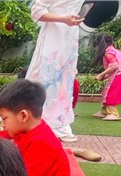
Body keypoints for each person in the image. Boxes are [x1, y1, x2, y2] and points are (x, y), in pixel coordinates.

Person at [0, 79, 72, 176]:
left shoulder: (42, 143)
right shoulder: (30, 128)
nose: (3, 125)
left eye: (4, 118)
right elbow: (2, 138)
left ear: (23, 116)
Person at [25, 0, 85, 144]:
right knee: (46, 77)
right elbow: (36, 11)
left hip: (70, 35)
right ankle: (37, 121)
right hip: (54, 35)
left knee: (66, 79)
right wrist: (63, 19)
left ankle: (60, 122)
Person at [92, 34, 121, 121]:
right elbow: (113, 68)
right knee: (106, 90)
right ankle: (105, 111)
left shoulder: (108, 53)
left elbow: (114, 66)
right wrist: (104, 76)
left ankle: (114, 114)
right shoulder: (112, 50)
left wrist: (101, 75)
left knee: (111, 93)